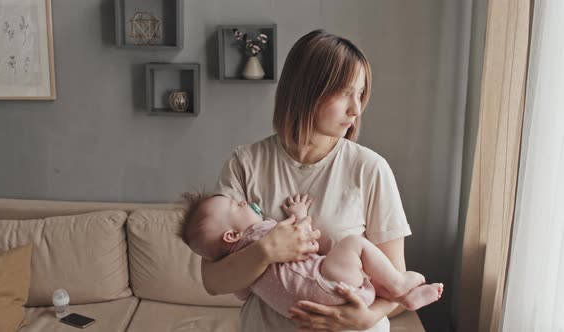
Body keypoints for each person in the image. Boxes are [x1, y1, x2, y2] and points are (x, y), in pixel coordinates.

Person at [202, 29, 417, 331]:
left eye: (360, 94)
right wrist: (266, 250)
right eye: (345, 93)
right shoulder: (245, 164)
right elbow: (212, 280)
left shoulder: (370, 169)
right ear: (307, 89)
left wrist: (365, 317)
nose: (356, 109)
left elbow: (397, 282)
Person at [178, 192, 443, 318]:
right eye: (238, 205)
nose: (245, 202)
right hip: (327, 282)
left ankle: (407, 298)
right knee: (354, 245)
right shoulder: (261, 233)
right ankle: (398, 286)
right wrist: (301, 215)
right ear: (232, 235)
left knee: (363, 273)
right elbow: (307, 240)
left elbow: (240, 291)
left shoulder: (241, 274)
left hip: (316, 306)